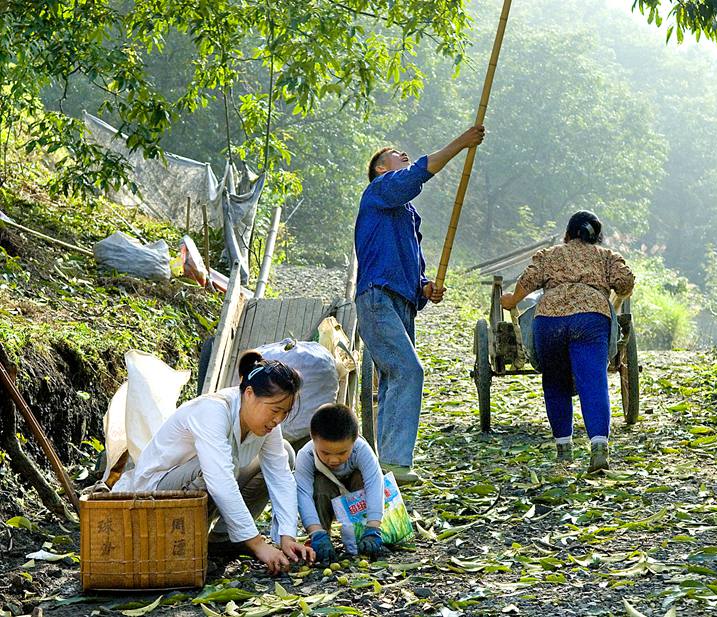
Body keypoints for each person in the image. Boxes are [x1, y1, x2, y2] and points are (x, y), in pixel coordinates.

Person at [355, 125, 486, 484]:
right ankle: (394, 463)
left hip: (400, 301)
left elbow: (414, 268)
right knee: (408, 371)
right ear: (382, 168)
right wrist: (462, 142)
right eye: (396, 155)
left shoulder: (407, 216)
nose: (404, 156)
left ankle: (385, 465)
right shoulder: (380, 190)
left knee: (395, 377)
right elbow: (418, 174)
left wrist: (425, 287)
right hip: (377, 296)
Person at [113, 352, 315, 574]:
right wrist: (258, 545)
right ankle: (185, 548)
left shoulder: (267, 426)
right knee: (211, 468)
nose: (278, 420)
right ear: (249, 394)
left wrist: (287, 536)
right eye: (274, 410)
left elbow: (280, 475)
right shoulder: (213, 410)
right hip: (154, 496)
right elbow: (220, 481)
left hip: (196, 489)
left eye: (284, 413)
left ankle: (221, 540)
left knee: (285, 452)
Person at [500, 211, 635, 473]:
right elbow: (625, 282)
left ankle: (564, 451)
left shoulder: (550, 254)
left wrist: (512, 300)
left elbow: (527, 281)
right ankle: (598, 449)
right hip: (590, 317)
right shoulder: (606, 257)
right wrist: (618, 291)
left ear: (567, 233)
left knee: (555, 383)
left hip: (550, 319)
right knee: (593, 381)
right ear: (596, 237)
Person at [295, 403, 385, 566]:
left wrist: (374, 526)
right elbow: (303, 494)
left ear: (355, 439)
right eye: (325, 453)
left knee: (360, 478)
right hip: (327, 498)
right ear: (312, 438)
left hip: (355, 498)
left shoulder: (361, 449)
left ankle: (363, 536)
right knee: (320, 484)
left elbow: (374, 483)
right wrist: (315, 531)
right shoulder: (305, 455)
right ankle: (322, 539)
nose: (333, 460)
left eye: (342, 453)